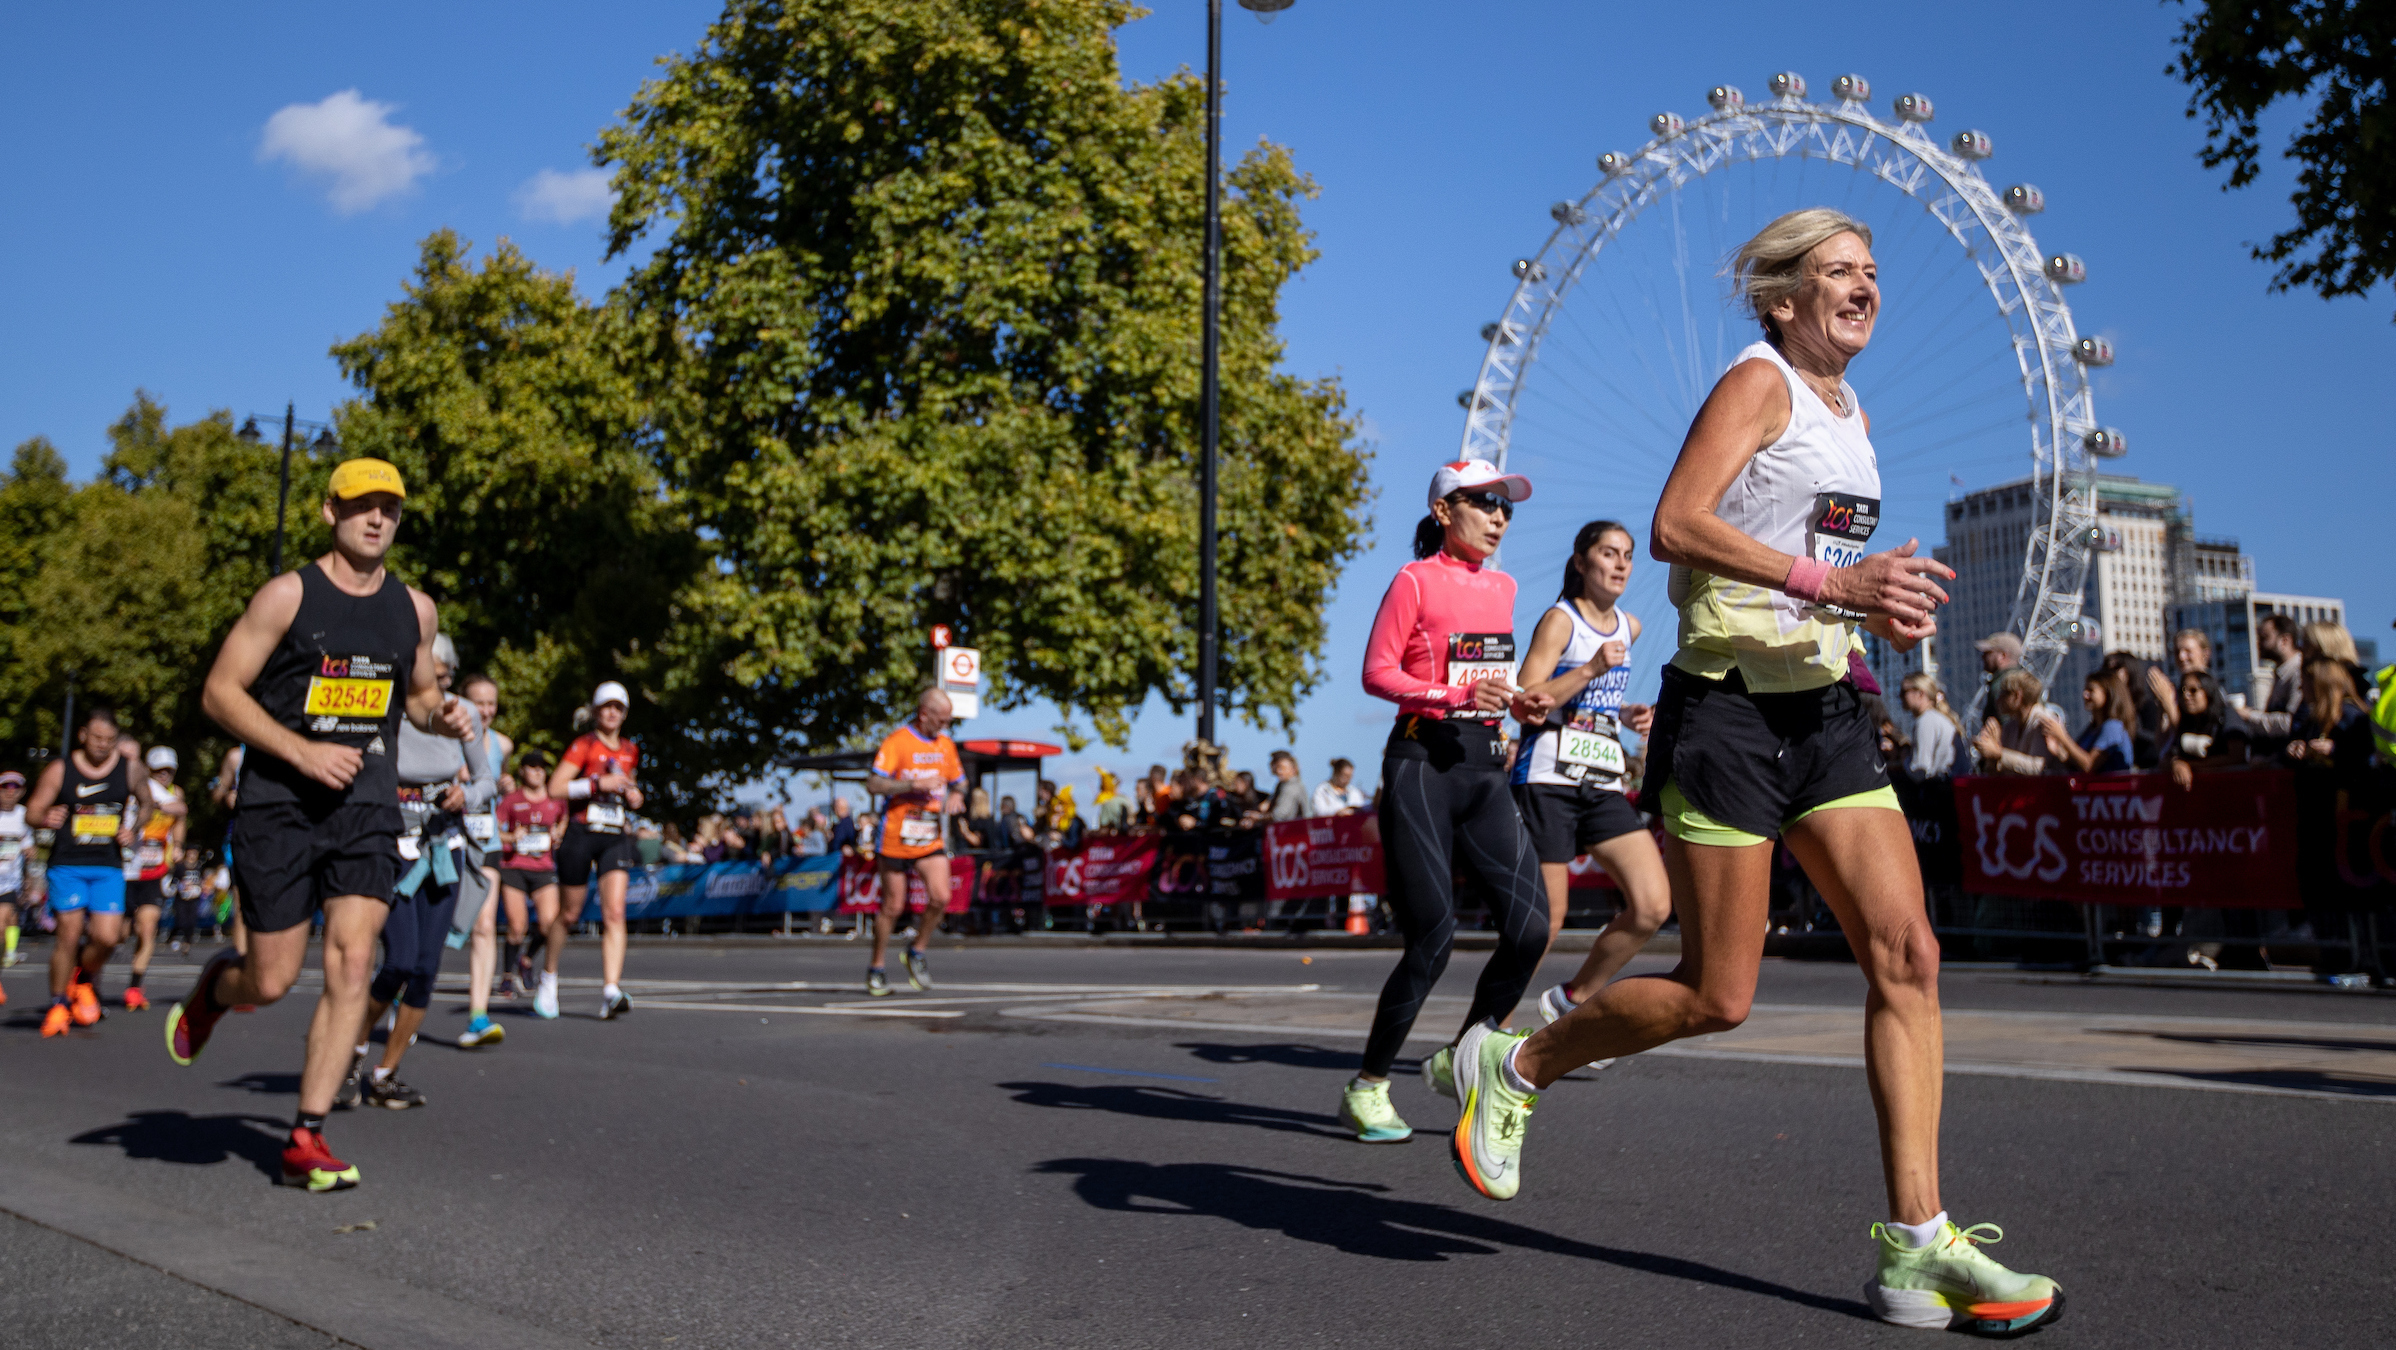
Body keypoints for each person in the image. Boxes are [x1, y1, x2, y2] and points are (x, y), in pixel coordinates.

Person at [1457, 210, 2061, 1334]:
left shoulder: (1848, 411)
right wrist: (1831, 589)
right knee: (1717, 994)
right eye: (1838, 272)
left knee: (1908, 952)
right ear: (1782, 296)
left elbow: (1815, 565)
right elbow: (1676, 523)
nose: (1863, 287)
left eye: (1871, 272)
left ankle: (1917, 1247)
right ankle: (1519, 1063)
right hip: (1725, 717)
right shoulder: (1758, 381)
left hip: (1825, 710)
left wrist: (1866, 610)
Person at [164, 457, 476, 1192]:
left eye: (390, 508)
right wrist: (301, 750)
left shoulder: (416, 609)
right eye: (362, 505)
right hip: (280, 804)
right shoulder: (287, 596)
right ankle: (217, 990)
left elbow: (421, 695)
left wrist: (444, 715)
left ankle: (306, 1134)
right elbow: (220, 692)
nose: (377, 519)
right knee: (269, 979)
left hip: (368, 805)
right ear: (329, 512)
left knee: (353, 961)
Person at [1344, 456, 1552, 1144]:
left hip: (1483, 764)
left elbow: (1489, 675)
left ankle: (1457, 1054)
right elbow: (1378, 672)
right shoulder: (1413, 579)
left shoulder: (1505, 586)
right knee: (1432, 937)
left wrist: (1520, 700)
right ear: (1444, 512)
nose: (1498, 517)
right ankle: (1369, 1084)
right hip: (1421, 764)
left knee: (1529, 929)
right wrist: (1455, 696)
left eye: (1506, 507)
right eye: (1484, 503)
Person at [1505, 519, 1670, 1047]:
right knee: (1546, 922)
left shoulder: (1631, 626)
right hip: (1548, 777)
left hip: (1600, 778)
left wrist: (1626, 713)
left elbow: (1589, 703)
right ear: (1581, 562)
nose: (1621, 564)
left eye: (1627, 555)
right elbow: (1529, 699)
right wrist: (1593, 667)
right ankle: (1490, 1031)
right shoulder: (1561, 621)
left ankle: (1572, 998)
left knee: (1650, 905)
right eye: (1608, 553)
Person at [343, 633, 494, 1105]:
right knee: (400, 960)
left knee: (426, 969)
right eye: (427, 673)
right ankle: (350, 1050)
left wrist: (464, 795)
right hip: (393, 841)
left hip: (441, 844)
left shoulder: (462, 713)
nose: (435, 683)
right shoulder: (386, 707)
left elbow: (485, 779)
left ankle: (386, 1073)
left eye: (442, 675)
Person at [30, 706, 150, 1036]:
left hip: (107, 865)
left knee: (109, 937)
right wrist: (46, 816)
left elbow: (147, 804)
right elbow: (33, 810)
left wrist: (135, 827)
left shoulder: (130, 769)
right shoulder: (60, 769)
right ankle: (57, 1005)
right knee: (68, 936)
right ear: (83, 735)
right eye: (96, 738)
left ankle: (82, 976)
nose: (102, 745)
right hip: (67, 864)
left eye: (110, 740)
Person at [548, 682, 643, 1020]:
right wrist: (595, 784)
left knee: (615, 912)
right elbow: (555, 787)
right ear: (596, 711)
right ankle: (548, 977)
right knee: (570, 915)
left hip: (613, 834)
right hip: (580, 832)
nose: (612, 712)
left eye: (618, 707)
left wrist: (633, 796)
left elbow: (627, 786)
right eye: (606, 706)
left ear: (625, 713)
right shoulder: (583, 745)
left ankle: (610, 990)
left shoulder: (630, 750)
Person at [862, 687, 966, 996]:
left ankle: (916, 950)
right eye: (942, 720)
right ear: (924, 715)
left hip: (928, 835)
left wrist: (957, 796)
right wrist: (911, 784)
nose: (945, 726)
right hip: (895, 835)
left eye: (949, 721)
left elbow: (960, 781)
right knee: (893, 906)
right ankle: (877, 967)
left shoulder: (946, 746)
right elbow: (874, 783)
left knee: (941, 896)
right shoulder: (898, 742)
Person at [121, 744, 189, 1011]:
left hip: (154, 868)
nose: (164, 775)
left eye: (169, 771)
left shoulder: (177, 793)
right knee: (118, 933)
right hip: (128, 867)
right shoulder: (135, 790)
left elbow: (180, 820)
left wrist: (179, 846)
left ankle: (135, 988)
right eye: (159, 770)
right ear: (148, 770)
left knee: (148, 927)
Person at [2165, 668, 2251, 788]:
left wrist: (2189, 765)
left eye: (2193, 690)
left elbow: (2236, 756)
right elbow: (2168, 755)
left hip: (2231, 788)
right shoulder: (2186, 721)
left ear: (2208, 692)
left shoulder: (2228, 715)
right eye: (2182, 691)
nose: (2186, 696)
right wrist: (2175, 763)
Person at [1972, 668, 2063, 775]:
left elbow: (2039, 767)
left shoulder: (2043, 722)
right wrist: (1991, 754)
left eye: (2004, 693)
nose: (1998, 699)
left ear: (2017, 696)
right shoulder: (2011, 726)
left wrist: (1999, 753)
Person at [2046, 670, 2136, 775]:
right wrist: (2058, 750)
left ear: (2108, 694)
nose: (2085, 695)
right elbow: (2078, 763)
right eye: (2085, 690)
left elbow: (2089, 765)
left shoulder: (2113, 727)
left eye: (2091, 690)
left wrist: (2063, 736)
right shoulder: (2092, 729)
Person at [2240, 612, 2306, 754]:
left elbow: (2291, 722)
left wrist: (2250, 716)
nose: (2259, 644)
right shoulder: (2280, 673)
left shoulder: (2299, 672)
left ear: (2284, 641)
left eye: (2264, 638)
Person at [207, 743, 250, 956]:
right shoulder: (236, 756)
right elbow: (217, 793)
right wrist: (226, 795)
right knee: (242, 899)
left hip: (280, 833)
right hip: (243, 834)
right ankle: (241, 957)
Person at [2100, 650, 2177, 769]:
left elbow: (2155, 741)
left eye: (2115, 669)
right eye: (2106, 671)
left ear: (2129, 673)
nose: (2110, 676)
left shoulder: (2146, 705)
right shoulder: (2105, 711)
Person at [1897, 673, 1961, 780]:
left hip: (1940, 789)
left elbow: (1920, 772)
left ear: (1920, 693)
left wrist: (1905, 759)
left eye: (1904, 692)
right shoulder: (1936, 717)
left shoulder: (1926, 721)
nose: (1900, 696)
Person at [0, 772, 28, 979]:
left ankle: (9, 952)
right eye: (5, 787)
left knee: (6, 919)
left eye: (15, 788)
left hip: (10, 880)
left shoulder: (24, 815)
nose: (10, 792)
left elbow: (29, 846)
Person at [1973, 630, 2021, 720]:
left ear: (2003, 656)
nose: (1983, 657)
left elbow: (2006, 721)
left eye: (1988, 653)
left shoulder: (2003, 684)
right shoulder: (2022, 680)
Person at [168, 845, 206, 953]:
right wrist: (181, 886)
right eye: (190, 853)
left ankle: (187, 943)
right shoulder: (180, 866)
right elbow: (174, 881)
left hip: (194, 898)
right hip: (181, 898)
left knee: (191, 921)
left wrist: (200, 886)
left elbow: (202, 880)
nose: (192, 855)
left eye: (194, 853)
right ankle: (173, 935)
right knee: (181, 920)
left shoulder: (199, 867)